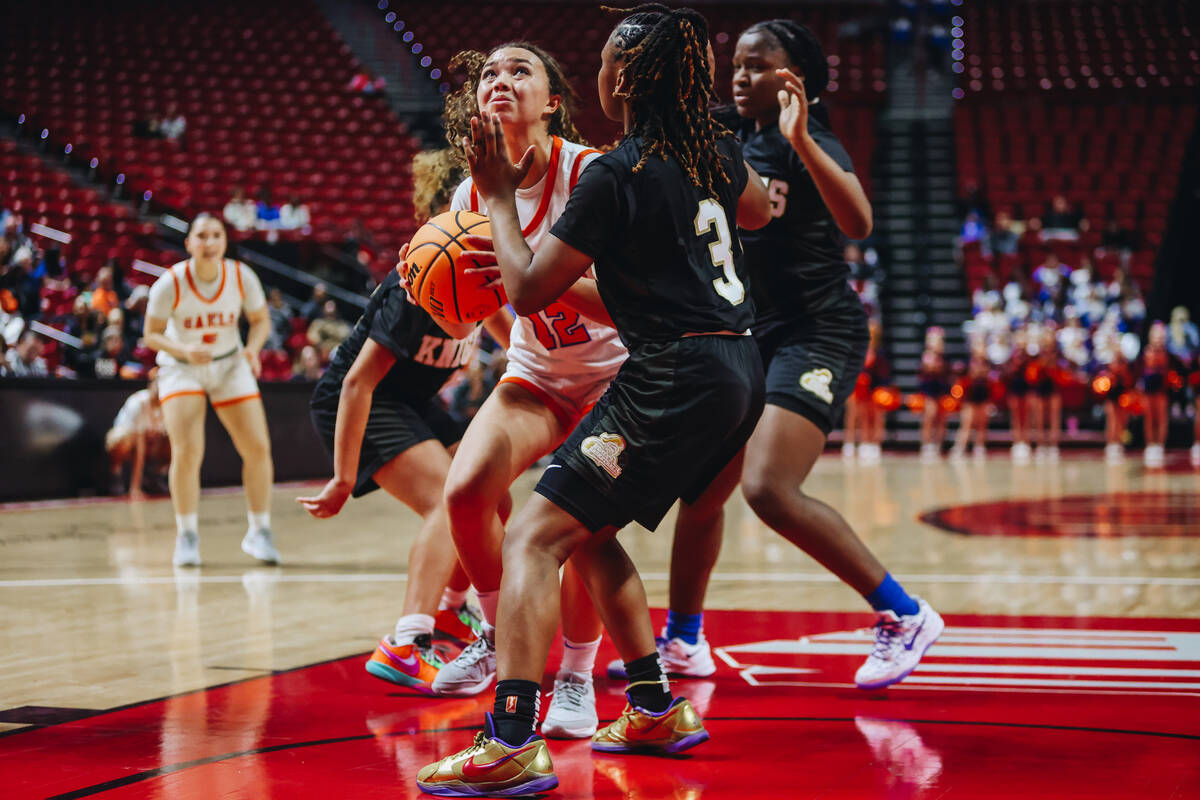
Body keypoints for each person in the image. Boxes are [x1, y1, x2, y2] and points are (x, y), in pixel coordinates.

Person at [417, 7, 771, 795]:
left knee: (535, 536)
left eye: (611, 59)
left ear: (624, 81)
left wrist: (504, 203)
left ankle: (510, 738)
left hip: (667, 371)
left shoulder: (611, 170)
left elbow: (529, 286)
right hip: (737, 364)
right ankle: (650, 704)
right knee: (584, 527)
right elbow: (757, 212)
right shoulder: (710, 146)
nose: (602, 70)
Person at [608, 17, 942, 690]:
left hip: (816, 332)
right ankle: (684, 641)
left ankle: (904, 614)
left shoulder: (809, 138)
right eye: (736, 63)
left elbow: (859, 222)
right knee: (702, 496)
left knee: (767, 488)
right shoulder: (725, 138)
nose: (740, 74)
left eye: (759, 65)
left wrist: (798, 138)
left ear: (800, 80)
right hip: (750, 337)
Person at [429, 39, 623, 739]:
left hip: (614, 375)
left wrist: (538, 280)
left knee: (583, 530)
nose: (500, 80)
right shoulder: (468, 192)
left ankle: (574, 675)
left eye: (520, 70)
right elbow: (474, 306)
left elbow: (627, 299)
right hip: (536, 372)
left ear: (552, 101)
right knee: (465, 490)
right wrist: (441, 291)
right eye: (488, 73)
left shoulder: (593, 174)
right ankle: (495, 630)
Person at [297, 149, 515, 694]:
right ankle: (407, 640)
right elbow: (356, 383)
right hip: (366, 401)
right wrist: (343, 479)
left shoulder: (478, 274)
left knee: (495, 494)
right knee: (452, 499)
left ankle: (450, 609)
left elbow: (514, 340)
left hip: (414, 402)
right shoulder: (416, 282)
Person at [143, 213, 281, 566]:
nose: (209, 242)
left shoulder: (240, 276)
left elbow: (261, 320)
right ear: (188, 243)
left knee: (258, 447)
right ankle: (187, 536)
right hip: (182, 367)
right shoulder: (170, 282)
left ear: (225, 241)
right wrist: (184, 350)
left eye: (216, 235)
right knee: (188, 452)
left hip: (230, 363)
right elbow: (151, 334)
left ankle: (259, 531)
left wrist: (252, 350)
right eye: (201, 236)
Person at [106, 377, 168, 499]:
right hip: (131, 446)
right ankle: (115, 473)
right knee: (120, 439)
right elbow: (140, 449)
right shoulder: (138, 403)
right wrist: (135, 488)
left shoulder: (170, 403)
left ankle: (155, 476)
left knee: (176, 442)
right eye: (158, 385)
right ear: (151, 385)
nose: (161, 390)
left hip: (151, 446)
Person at [950, 338, 991, 460]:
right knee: (966, 423)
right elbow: (963, 378)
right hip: (970, 397)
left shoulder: (987, 364)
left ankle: (979, 447)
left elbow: (990, 379)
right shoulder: (968, 363)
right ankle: (960, 447)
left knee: (982, 423)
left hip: (983, 395)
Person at [1140, 321, 1169, 468]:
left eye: (1161, 335)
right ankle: (1150, 444)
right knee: (1149, 417)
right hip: (1148, 390)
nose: (1158, 338)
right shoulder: (1146, 351)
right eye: (1156, 335)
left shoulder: (1166, 352)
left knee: (1161, 417)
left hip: (1161, 390)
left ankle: (1160, 445)